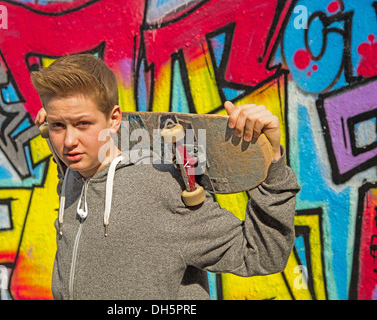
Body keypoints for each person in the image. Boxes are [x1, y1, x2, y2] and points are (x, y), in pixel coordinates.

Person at [31, 53, 300, 300]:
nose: (68, 141)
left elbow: (260, 254)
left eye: (82, 124)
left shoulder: (161, 187)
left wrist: (272, 160)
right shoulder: (73, 179)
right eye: (57, 126)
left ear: (114, 119)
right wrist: (60, 121)